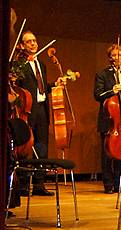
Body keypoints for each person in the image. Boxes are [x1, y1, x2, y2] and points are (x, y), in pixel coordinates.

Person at [16, 31, 64, 196]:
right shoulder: (19, 64)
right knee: (24, 147)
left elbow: (41, 89)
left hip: (42, 110)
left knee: (42, 147)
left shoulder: (41, 64)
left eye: (34, 41)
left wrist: (54, 85)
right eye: (28, 42)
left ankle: (39, 185)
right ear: (22, 45)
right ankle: (22, 185)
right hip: (27, 110)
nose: (33, 44)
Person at [94, 44, 121, 194]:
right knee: (107, 154)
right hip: (109, 119)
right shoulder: (102, 74)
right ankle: (108, 184)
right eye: (113, 55)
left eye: (119, 55)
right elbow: (97, 95)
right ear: (109, 58)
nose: (116, 58)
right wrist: (111, 91)